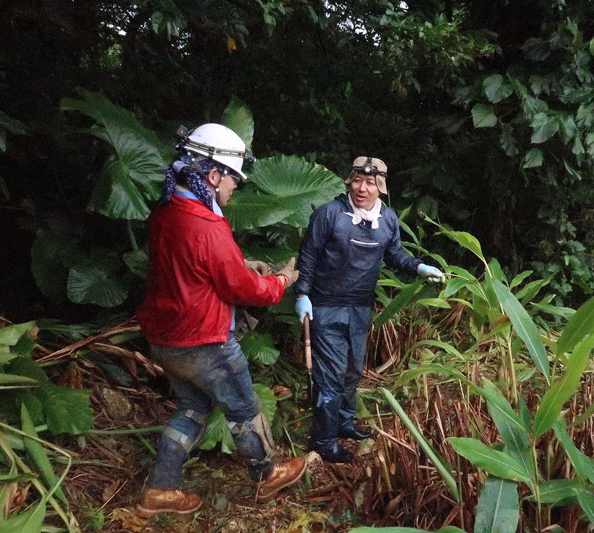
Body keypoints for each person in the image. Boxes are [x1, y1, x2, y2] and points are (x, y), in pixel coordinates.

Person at [135, 124, 307, 518]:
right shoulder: (208, 225)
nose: (234, 188)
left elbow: (190, 266)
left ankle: (160, 489)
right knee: (244, 408)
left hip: (165, 339)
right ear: (213, 175)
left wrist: (242, 264)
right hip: (204, 342)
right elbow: (245, 290)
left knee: (192, 407)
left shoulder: (168, 212)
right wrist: (281, 280)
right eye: (233, 179)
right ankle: (267, 475)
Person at [294, 156, 445, 463]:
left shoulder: (387, 219)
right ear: (350, 180)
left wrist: (418, 267)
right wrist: (302, 293)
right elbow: (308, 255)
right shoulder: (330, 214)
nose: (362, 188)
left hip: (360, 307)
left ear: (381, 187)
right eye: (357, 181)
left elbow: (395, 255)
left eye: (370, 183)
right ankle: (323, 439)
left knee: (352, 370)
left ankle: (345, 422)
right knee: (331, 376)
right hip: (326, 306)